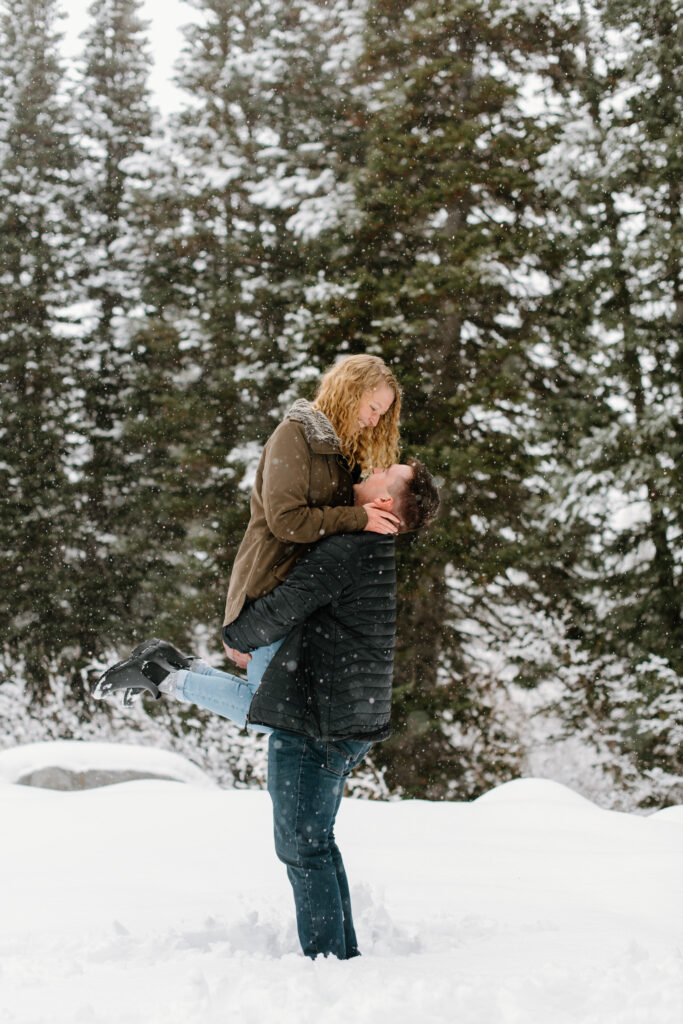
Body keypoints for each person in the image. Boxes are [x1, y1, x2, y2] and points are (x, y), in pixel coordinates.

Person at [95, 459, 440, 960]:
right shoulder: (372, 547)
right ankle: (343, 962)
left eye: (387, 470)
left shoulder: (350, 547)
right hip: (340, 715)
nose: (374, 465)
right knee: (316, 843)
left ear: (383, 502)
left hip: (319, 724)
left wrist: (239, 635)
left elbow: (286, 604)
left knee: (303, 848)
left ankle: (331, 966)